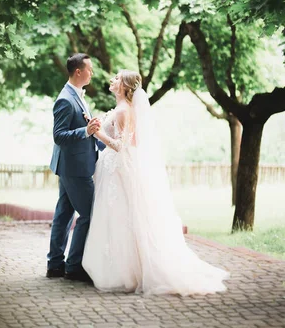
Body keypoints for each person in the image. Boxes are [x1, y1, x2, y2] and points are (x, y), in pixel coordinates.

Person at [82, 70, 230, 295]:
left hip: (118, 169)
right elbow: (135, 140)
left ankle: (132, 274)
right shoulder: (125, 109)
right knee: (122, 219)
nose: (112, 80)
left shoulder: (123, 111)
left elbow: (122, 146)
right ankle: (128, 272)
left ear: (124, 87)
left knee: (122, 219)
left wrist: (98, 134)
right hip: (117, 169)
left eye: (117, 79)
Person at [46, 53, 105, 282]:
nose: (92, 73)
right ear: (78, 72)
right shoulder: (65, 99)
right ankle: (73, 267)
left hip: (73, 165)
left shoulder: (77, 95)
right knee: (90, 214)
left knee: (63, 215)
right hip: (74, 168)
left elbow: (85, 128)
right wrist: (85, 131)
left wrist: (96, 135)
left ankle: (55, 265)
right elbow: (59, 136)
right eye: (89, 69)